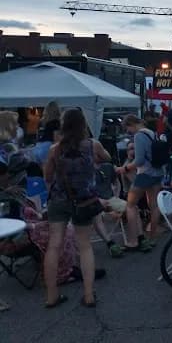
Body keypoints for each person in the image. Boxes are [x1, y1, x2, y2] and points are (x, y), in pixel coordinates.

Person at [43, 109, 107, 308]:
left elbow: (47, 176)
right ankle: (88, 295)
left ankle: (52, 296)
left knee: (54, 245)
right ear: (82, 125)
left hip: (59, 200)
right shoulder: (92, 145)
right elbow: (107, 158)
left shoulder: (55, 149)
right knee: (85, 245)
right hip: (84, 202)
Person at [120, 115, 162, 251]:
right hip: (158, 172)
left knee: (130, 205)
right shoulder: (151, 132)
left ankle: (133, 241)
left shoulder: (138, 136)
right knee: (153, 205)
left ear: (131, 124)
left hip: (145, 173)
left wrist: (124, 168)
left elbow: (139, 160)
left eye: (127, 129)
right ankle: (152, 238)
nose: (128, 132)